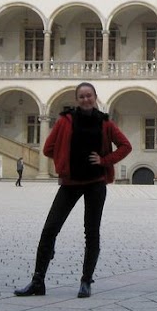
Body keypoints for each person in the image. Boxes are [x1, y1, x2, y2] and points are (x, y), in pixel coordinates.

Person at [15, 82, 132, 299]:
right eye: (81, 96)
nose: (86, 99)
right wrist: (64, 162)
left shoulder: (105, 123)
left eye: (89, 96)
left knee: (91, 232)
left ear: (95, 97)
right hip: (70, 182)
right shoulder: (65, 120)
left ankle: (86, 281)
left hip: (96, 182)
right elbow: (48, 148)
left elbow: (126, 146)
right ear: (77, 99)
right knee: (50, 229)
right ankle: (38, 280)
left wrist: (105, 160)